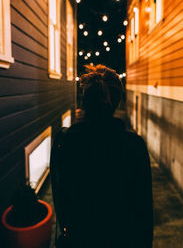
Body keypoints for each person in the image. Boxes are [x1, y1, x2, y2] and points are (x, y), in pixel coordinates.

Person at [50, 64, 153, 248]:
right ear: (117, 102)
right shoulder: (133, 146)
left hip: (80, 238)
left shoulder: (68, 141)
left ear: (84, 102)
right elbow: (143, 209)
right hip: (122, 239)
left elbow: (62, 197)